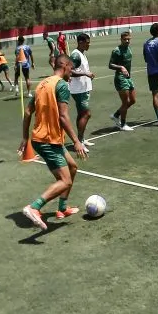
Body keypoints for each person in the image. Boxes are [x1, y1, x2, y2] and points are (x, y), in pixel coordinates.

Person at [19, 54, 88, 231]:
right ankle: (34, 207)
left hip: (45, 139)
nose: (72, 72)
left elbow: (27, 112)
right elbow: (63, 116)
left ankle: (62, 209)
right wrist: (77, 141)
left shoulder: (43, 83)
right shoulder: (62, 85)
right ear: (64, 66)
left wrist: (25, 138)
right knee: (65, 181)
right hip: (47, 140)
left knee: (72, 167)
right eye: (71, 68)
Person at [69, 33, 96, 146]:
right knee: (86, 114)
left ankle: (81, 139)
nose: (89, 44)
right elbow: (70, 71)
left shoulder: (81, 54)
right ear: (81, 42)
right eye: (87, 42)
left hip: (83, 88)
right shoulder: (76, 55)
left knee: (81, 114)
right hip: (78, 90)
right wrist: (85, 73)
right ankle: (79, 142)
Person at [108, 31, 136, 132]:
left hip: (128, 78)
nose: (127, 41)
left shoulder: (128, 48)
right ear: (121, 39)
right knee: (125, 102)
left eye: (129, 39)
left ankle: (116, 115)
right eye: (125, 39)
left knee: (132, 100)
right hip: (120, 78)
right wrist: (121, 67)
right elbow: (110, 65)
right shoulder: (116, 51)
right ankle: (123, 124)